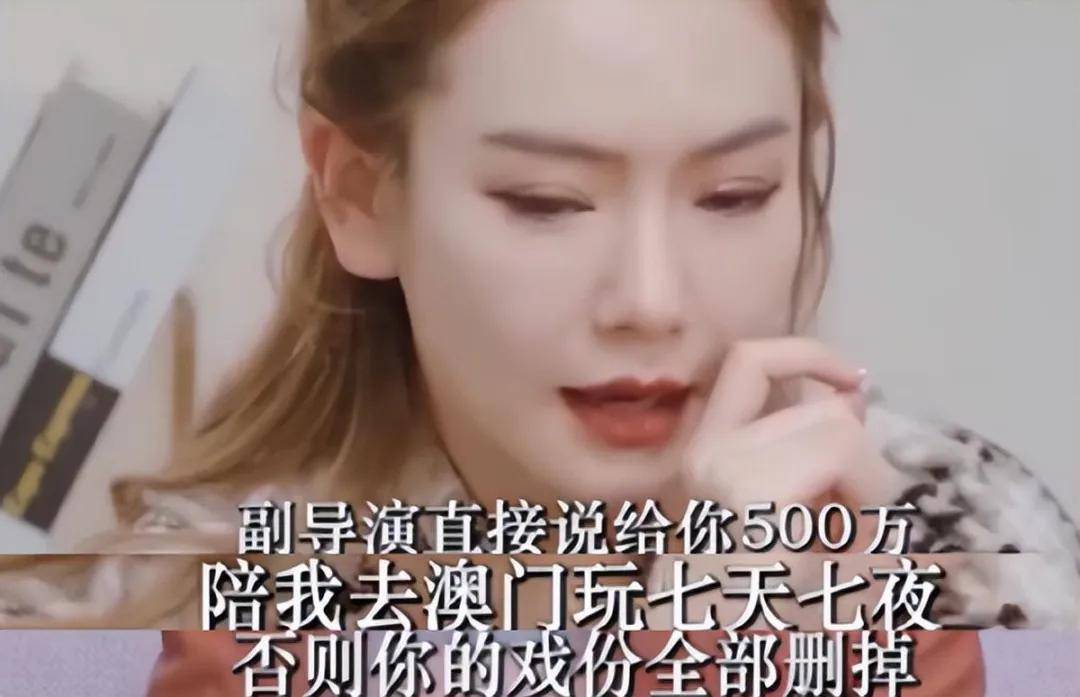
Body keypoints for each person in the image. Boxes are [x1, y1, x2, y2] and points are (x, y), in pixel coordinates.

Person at [2, 1, 1078, 694]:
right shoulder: (155, 627)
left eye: (734, 194)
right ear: (360, 193)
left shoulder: (965, 535)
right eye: (547, 201)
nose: (651, 300)